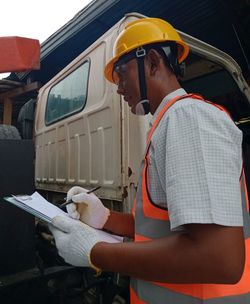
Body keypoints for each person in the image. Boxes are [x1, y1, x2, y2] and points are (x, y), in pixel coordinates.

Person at [50, 17, 250, 303]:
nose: (118, 89)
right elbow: (162, 228)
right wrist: (106, 218)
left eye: (121, 74)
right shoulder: (168, 124)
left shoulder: (188, 119)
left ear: (153, 62)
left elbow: (219, 258)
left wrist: (95, 252)